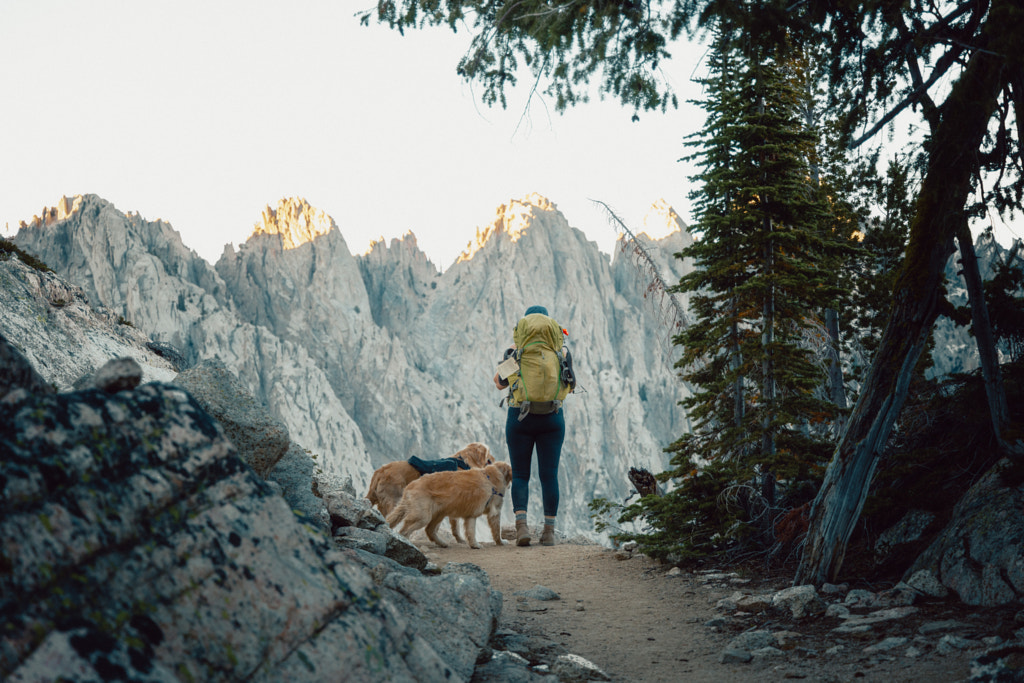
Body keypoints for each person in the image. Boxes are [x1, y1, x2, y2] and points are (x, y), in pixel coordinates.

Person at [492, 305, 567, 546]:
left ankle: (522, 527)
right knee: (549, 476)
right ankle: (549, 531)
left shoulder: (516, 353)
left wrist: (513, 357)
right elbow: (571, 384)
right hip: (552, 419)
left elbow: (499, 384)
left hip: (520, 419)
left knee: (521, 474)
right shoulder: (559, 352)